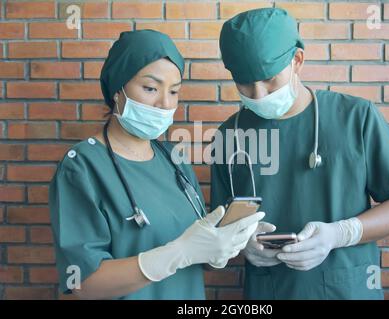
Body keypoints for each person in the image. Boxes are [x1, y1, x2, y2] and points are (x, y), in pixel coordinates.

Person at [211, 8, 389, 299]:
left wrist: (341, 233)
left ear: (297, 60)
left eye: (269, 79)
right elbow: (220, 223)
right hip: (269, 291)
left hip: (346, 289)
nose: (257, 94)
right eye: (244, 82)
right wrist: (242, 243)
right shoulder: (230, 136)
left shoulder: (356, 118)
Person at [49, 29, 264, 300]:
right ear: (118, 90)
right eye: (150, 88)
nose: (164, 103)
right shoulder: (82, 167)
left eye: (174, 92)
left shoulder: (175, 160)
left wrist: (229, 241)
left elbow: (199, 256)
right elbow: (80, 283)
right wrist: (176, 253)